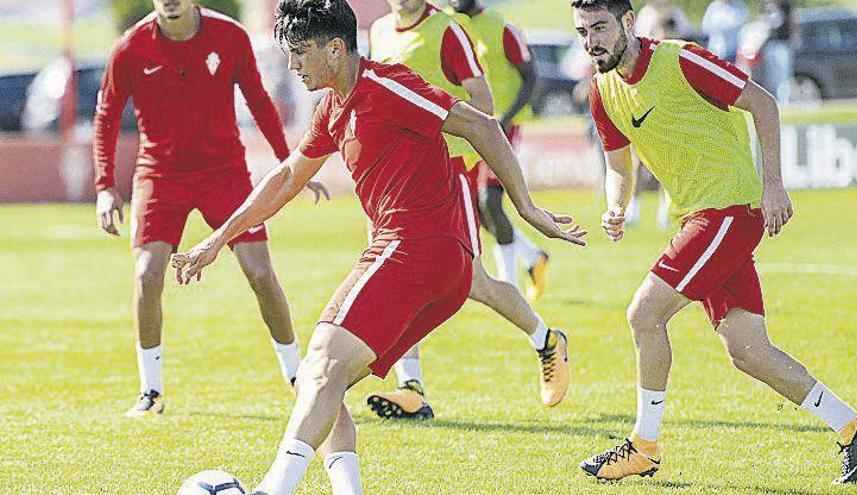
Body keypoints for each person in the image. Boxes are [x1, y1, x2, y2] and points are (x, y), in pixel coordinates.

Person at [171, 2, 585, 494]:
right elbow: (285, 178)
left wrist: (527, 208)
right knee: (319, 382)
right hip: (429, 260)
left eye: (300, 53)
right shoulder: (332, 107)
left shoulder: (387, 85)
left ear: (335, 48)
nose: (293, 65)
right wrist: (218, 239)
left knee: (322, 365)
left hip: (416, 248)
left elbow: (482, 124)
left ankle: (271, 491)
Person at [571, 0, 857, 483]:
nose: (591, 41)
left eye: (600, 27)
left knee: (643, 315)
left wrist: (773, 183)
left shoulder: (681, 59)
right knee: (748, 350)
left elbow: (763, 103)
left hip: (729, 211)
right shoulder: (601, 88)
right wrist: (616, 205)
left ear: (628, 23)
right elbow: (617, 164)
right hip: (699, 218)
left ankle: (644, 446)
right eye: (583, 31)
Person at [93, 0, 328, 417]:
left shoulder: (229, 36)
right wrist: (105, 186)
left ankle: (297, 377)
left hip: (224, 173)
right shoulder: (129, 48)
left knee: (259, 272)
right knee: (147, 274)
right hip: (160, 175)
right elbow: (107, 115)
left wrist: (291, 164)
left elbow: (258, 99)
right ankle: (151, 391)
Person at [364, 0, 570, 419]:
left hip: (449, 170)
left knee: (473, 283)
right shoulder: (379, 32)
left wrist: (441, 129)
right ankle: (411, 386)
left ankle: (546, 339)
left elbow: (482, 98)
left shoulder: (446, 29)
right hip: (396, 177)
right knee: (395, 278)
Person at [446, 0, 550, 299]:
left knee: (490, 201)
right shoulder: (445, 25)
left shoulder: (503, 28)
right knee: (477, 211)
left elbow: (531, 76)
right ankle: (533, 257)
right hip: (468, 127)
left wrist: (506, 118)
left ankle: (508, 286)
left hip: (503, 126)